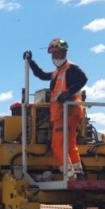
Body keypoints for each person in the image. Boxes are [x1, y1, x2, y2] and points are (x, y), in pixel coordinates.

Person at [24, 38, 88, 180]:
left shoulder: (71, 69)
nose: (55, 57)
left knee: (57, 146)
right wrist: (30, 62)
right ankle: (79, 173)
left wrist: (68, 93)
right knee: (70, 144)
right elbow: (41, 75)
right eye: (54, 54)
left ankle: (70, 175)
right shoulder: (56, 73)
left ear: (64, 53)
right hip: (64, 113)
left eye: (58, 54)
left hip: (67, 113)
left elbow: (83, 79)